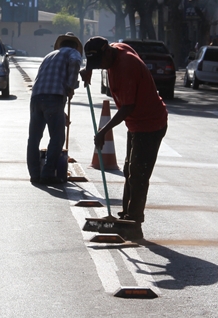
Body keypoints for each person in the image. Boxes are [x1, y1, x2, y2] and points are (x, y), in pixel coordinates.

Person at [80, 36, 168, 237]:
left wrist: (103, 131)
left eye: (99, 62)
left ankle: (134, 222)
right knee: (130, 170)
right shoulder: (115, 50)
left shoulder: (126, 66)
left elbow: (127, 107)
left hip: (150, 123)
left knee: (138, 174)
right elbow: (100, 60)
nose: (100, 67)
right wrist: (89, 69)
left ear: (107, 52)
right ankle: (126, 215)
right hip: (136, 124)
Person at [27, 33, 83, 185]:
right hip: (54, 97)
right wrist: (71, 86)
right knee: (57, 138)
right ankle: (48, 173)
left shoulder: (49, 55)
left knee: (34, 138)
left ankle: (34, 174)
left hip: (36, 98)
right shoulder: (73, 54)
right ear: (76, 46)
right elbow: (75, 63)